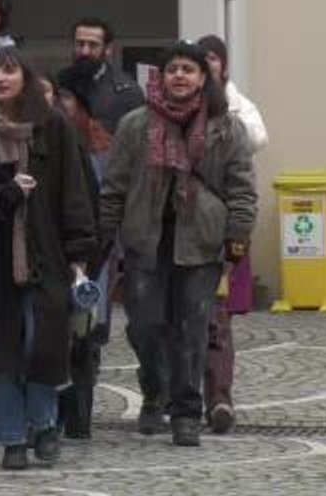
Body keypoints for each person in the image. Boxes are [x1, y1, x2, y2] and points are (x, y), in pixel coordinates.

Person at [100, 41, 258, 447]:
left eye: (189, 69)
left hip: (201, 244)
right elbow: (114, 186)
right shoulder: (135, 125)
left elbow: (242, 189)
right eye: (173, 69)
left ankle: (185, 411)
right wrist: (105, 234)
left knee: (192, 329)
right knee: (145, 327)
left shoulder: (227, 127)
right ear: (161, 77)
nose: (180, 76)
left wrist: (237, 236)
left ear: (204, 78)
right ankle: (155, 389)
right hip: (145, 242)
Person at [0, 48, 99, 470]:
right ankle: (11, 437)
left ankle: (44, 424)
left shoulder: (53, 125)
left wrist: (79, 254)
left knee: (43, 343)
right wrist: (5, 194)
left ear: (25, 77)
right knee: (0, 349)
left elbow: (74, 193)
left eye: (9, 70)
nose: (0, 78)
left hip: (47, 254)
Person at [197, 34, 269, 434]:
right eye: (200, 58)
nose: (206, 66)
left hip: (219, 225)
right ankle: (174, 395)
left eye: (212, 58)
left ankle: (218, 397)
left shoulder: (238, 105)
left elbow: (258, 138)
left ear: (223, 64)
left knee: (216, 319)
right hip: (175, 231)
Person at [54, 64, 117, 440]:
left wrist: (95, 257)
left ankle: (79, 417)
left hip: (93, 256)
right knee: (53, 336)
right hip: (54, 255)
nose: (59, 105)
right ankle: (54, 414)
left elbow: (109, 205)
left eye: (65, 98)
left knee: (84, 335)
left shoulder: (101, 147)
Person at [69, 18, 145, 134]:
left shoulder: (128, 93)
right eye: (80, 44)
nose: (85, 51)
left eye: (93, 45)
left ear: (108, 49)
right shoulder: (59, 86)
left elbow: (137, 144)